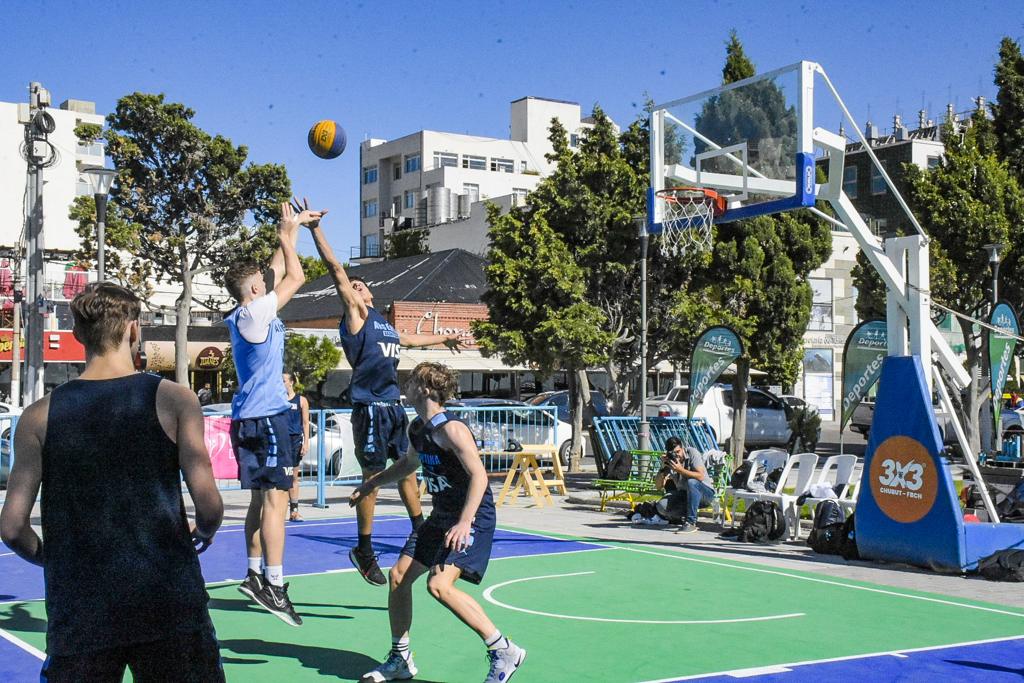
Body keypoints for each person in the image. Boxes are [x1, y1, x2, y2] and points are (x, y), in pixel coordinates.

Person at [0, 282, 225, 682]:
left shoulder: (38, 416)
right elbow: (209, 506)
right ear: (134, 330)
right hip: (167, 600)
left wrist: (49, 557)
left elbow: (13, 526)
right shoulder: (175, 399)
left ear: (77, 335)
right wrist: (202, 531)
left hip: (82, 608)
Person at [303, 205, 467, 586]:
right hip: (371, 408)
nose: (356, 289)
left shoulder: (385, 324)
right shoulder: (356, 318)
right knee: (374, 477)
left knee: (409, 469)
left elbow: (410, 338)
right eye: (352, 288)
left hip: (393, 408)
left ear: (372, 294)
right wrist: (316, 231)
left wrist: (445, 337)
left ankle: (420, 530)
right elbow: (337, 272)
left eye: (361, 287)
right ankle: (363, 547)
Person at [353, 362, 526, 683]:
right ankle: (400, 658)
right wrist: (371, 483)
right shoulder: (417, 428)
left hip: (471, 516)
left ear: (427, 389)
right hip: (441, 516)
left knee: (439, 585)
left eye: (412, 380)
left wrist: (464, 522)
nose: (405, 384)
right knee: (399, 576)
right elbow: (408, 464)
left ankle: (504, 650)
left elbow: (479, 476)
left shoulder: (452, 429)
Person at [222, 200, 324, 626]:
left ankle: (252, 574)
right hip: (266, 418)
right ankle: (275, 586)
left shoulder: (249, 309)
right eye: (263, 281)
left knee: (260, 501)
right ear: (254, 291)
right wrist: (286, 234)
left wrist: (293, 226)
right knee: (277, 502)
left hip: (252, 417)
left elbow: (279, 269)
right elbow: (296, 275)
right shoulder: (255, 312)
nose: (270, 280)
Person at [654, 436, 715, 533]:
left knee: (692, 482)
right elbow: (658, 486)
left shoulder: (691, 453)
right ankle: (683, 516)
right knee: (662, 506)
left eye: (678, 452)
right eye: (674, 453)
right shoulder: (671, 461)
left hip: (705, 493)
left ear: (682, 448)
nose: (677, 455)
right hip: (685, 494)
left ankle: (691, 522)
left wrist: (680, 470)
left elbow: (700, 476)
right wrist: (662, 468)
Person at [283, 371, 310, 522]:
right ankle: (277, 510)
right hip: (280, 441)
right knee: (280, 477)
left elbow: (305, 423)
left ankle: (294, 510)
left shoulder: (301, 400)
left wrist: (305, 443)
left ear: (291, 382)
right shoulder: (277, 400)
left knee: (293, 476)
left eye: (284, 381)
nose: (282, 383)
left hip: (294, 441)